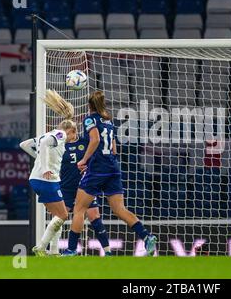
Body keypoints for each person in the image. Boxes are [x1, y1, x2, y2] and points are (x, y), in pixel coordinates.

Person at [62, 90, 157, 256]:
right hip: (113, 168)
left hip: (97, 170)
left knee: (79, 209)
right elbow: (113, 148)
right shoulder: (108, 120)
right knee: (120, 209)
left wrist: (84, 160)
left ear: (89, 106)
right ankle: (146, 236)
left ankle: (70, 249)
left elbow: (96, 140)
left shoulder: (90, 119)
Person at [20, 90, 75, 256]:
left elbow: (25, 144)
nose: (75, 136)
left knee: (58, 215)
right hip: (46, 180)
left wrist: (39, 158)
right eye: (75, 132)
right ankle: (41, 247)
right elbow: (43, 143)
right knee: (63, 214)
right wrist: (44, 167)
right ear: (70, 130)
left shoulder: (51, 134)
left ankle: (54, 250)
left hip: (40, 180)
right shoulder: (60, 134)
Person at [48, 128, 112, 256]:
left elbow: (97, 152)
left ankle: (107, 252)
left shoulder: (85, 142)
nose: (64, 136)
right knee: (59, 218)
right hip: (66, 188)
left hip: (84, 186)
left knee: (94, 217)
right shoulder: (59, 146)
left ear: (73, 131)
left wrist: (90, 166)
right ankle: (50, 249)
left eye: (66, 133)